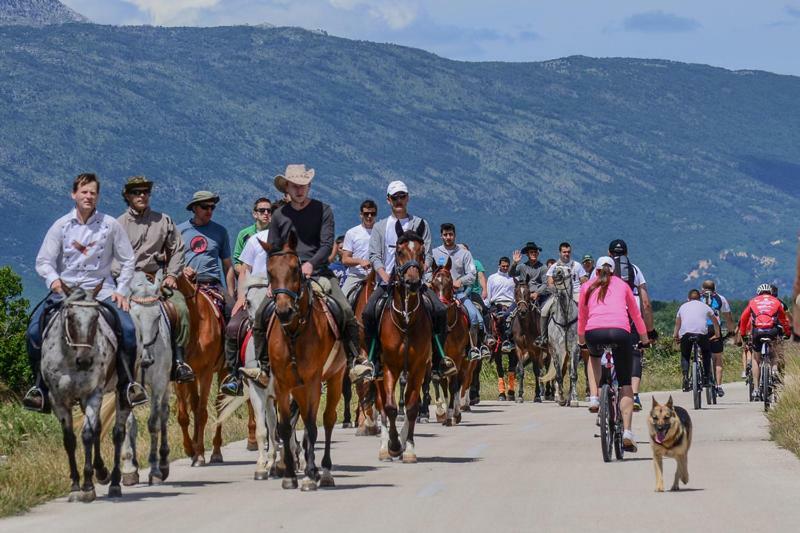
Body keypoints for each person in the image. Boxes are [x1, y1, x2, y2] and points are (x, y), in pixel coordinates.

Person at [23, 173, 146, 412]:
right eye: (84, 192)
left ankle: (127, 386)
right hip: (66, 291)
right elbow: (43, 261)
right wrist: (54, 281)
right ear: (74, 194)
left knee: (129, 331)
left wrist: (121, 290)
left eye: (93, 193)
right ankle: (39, 387)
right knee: (34, 331)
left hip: (102, 290)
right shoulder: (61, 226)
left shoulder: (110, 225)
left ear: (98, 197)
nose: (88, 196)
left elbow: (128, 260)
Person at [244, 164, 372, 386]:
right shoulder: (279, 215)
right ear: (287, 188)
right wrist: (271, 281)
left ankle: (354, 362)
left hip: (319, 272)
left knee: (345, 310)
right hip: (286, 277)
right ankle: (263, 368)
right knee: (261, 315)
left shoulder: (323, 211)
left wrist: (311, 264)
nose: (299, 190)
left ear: (309, 186)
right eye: (295, 186)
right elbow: (273, 251)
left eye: (303, 186)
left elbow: (325, 245)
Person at [363, 180, 454, 379]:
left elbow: (428, 254)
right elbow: (374, 255)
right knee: (369, 312)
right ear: (388, 200)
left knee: (439, 310)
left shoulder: (420, 224)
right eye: (394, 198)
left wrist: (421, 270)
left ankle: (439, 360)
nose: (399, 201)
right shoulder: (380, 227)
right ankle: (373, 360)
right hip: (388, 283)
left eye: (402, 197)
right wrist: (384, 275)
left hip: (416, 283)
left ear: (407, 198)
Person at [117, 176, 194, 384]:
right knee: (108, 312)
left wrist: (171, 275)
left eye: (145, 192)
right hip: (128, 279)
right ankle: (112, 361)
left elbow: (177, 249)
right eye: (136, 192)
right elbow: (111, 257)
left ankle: (178, 361)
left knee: (181, 309)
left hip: (157, 278)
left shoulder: (163, 220)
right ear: (128, 196)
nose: (141, 195)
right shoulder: (118, 225)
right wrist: (123, 279)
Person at [578, 256, 649, 452]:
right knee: (625, 383)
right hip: (620, 332)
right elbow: (636, 314)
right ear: (613, 271)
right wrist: (644, 339)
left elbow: (582, 318)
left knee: (592, 357)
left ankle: (595, 396)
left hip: (594, 333)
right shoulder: (623, 285)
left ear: (597, 271)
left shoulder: (587, 287)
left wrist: (582, 341)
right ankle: (627, 431)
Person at [597, 239, 657, 412]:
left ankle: (601, 393)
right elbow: (646, 303)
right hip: (630, 317)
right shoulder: (636, 270)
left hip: (605, 317)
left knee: (600, 352)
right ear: (627, 253)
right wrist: (649, 330)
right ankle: (635, 394)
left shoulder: (602, 270)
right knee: (635, 352)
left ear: (609, 253)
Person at [221, 220, 270, 396]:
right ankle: (234, 377)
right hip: (255, 289)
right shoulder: (255, 239)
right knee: (233, 327)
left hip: (282, 291)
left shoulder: (291, 239)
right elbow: (244, 270)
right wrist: (241, 296)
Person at [432, 223, 483, 360]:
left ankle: (473, 348)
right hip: (438, 294)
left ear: (455, 235)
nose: (448, 237)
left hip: (458, 294)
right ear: (441, 236)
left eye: (450, 234)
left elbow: (472, 274)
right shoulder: (435, 253)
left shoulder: (465, 253)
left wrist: (459, 281)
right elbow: (427, 272)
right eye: (445, 234)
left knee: (473, 316)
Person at [736, 284, 792, 400]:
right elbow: (783, 319)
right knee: (775, 352)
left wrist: (743, 334)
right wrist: (787, 333)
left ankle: (756, 389)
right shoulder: (776, 301)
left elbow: (744, 318)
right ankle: (775, 369)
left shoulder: (753, 301)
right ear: (771, 292)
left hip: (757, 331)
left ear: (758, 293)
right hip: (772, 331)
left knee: (756, 358)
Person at [178, 191, 235, 297]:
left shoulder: (221, 231)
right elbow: (171, 261)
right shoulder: (179, 231)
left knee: (232, 311)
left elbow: (228, 266)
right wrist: (183, 270)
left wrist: (231, 294)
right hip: (186, 283)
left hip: (213, 283)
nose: (209, 211)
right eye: (205, 207)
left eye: (212, 207)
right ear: (194, 208)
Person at [537, 242, 588, 347]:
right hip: (559, 294)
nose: (566, 254)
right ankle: (544, 338)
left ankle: (587, 336)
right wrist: (556, 290)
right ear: (560, 252)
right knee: (544, 310)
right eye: (564, 252)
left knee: (586, 310)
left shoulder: (577, 265)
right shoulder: (554, 267)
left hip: (575, 293)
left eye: (568, 252)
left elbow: (584, 281)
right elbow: (550, 282)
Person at [673, 289, 720, 392]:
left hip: (686, 334)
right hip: (701, 334)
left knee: (685, 355)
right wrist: (717, 334)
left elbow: (677, 323)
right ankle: (707, 377)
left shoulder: (682, 307)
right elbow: (715, 322)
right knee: (706, 352)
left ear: (688, 298)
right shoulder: (705, 306)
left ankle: (685, 378)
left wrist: (675, 336)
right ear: (700, 299)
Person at [485, 256, 517, 400]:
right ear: (499, 265)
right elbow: (490, 296)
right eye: (503, 266)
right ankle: (488, 338)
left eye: (506, 266)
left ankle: (511, 388)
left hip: (510, 305)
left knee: (514, 319)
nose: (504, 268)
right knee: (487, 318)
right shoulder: (492, 278)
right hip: (496, 304)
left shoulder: (513, 279)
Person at [700, 280, 735, 396]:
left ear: (702, 288)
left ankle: (700, 372)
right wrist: (731, 331)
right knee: (717, 357)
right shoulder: (721, 298)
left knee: (701, 352)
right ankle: (719, 386)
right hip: (715, 329)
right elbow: (728, 317)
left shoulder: (696, 297)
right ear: (715, 288)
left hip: (700, 329)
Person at [341, 200, 377, 299]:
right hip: (356, 276)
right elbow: (345, 259)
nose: (369, 216)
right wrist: (360, 261)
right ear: (361, 215)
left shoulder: (382, 232)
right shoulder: (352, 233)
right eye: (366, 214)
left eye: (372, 214)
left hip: (377, 276)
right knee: (342, 304)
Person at [232, 197, 272, 274]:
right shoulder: (244, 234)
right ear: (255, 214)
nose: (266, 213)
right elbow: (237, 263)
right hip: (250, 280)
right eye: (262, 210)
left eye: (269, 210)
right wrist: (248, 276)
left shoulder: (276, 234)